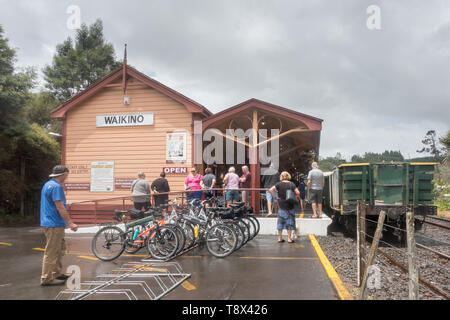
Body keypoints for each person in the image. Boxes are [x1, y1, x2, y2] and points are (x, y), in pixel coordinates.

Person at [40, 165, 78, 286]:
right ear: (63, 174)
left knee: (59, 249)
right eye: (67, 174)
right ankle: (46, 278)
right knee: (51, 251)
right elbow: (60, 206)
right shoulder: (56, 187)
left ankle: (56, 273)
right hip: (54, 224)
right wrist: (70, 223)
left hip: (52, 222)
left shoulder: (48, 184)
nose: (67, 177)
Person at [269, 171, 300, 243]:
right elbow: (298, 193)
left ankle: (280, 238)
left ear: (281, 177)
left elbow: (270, 190)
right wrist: (296, 196)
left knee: (280, 222)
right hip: (290, 205)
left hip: (281, 205)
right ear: (288, 176)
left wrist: (275, 197)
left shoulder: (278, 184)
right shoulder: (291, 184)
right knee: (289, 222)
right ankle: (289, 239)